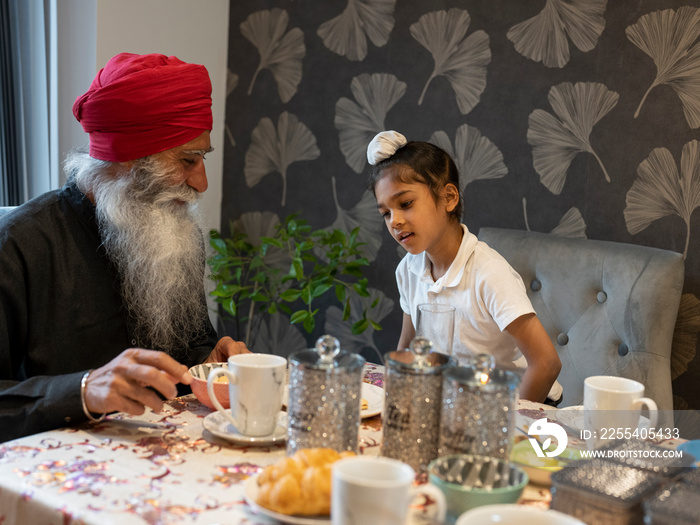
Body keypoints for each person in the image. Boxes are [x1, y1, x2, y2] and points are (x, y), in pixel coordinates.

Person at [0, 53, 249, 442]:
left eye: (202, 157)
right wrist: (81, 390)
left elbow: (190, 342)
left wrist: (208, 359)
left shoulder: (176, 233)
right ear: (125, 159)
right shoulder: (18, 245)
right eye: (188, 159)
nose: (201, 183)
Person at [366, 130, 562, 403]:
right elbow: (408, 348)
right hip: (454, 400)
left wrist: (511, 428)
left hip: (513, 404)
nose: (394, 221)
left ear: (448, 198)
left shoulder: (489, 273)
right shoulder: (408, 270)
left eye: (406, 203)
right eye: (386, 213)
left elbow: (546, 364)